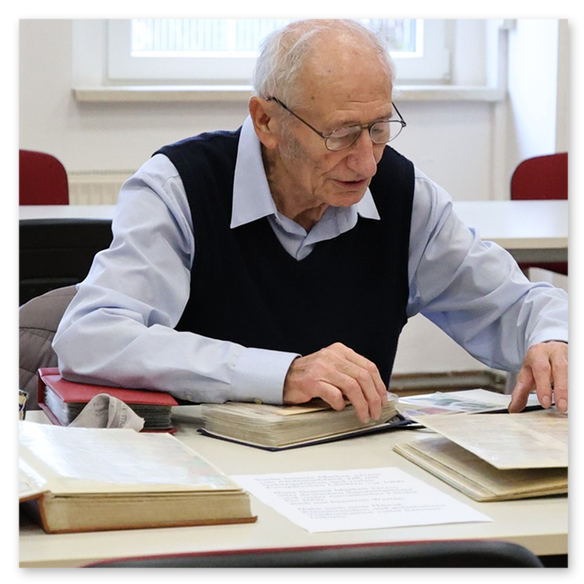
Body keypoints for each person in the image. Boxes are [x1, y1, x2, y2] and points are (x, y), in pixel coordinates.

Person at [53, 18, 568, 423]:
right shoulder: (180, 188)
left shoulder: (402, 196)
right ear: (266, 122)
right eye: (341, 135)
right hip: (202, 470)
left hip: (351, 471)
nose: (366, 162)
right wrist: (282, 374)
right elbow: (91, 337)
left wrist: (551, 340)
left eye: (379, 128)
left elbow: (514, 305)